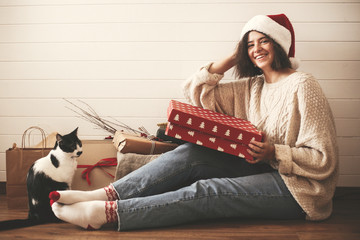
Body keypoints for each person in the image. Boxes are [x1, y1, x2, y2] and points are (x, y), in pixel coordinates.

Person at [49, 14, 339, 231]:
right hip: (262, 167)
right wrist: (234, 57)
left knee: (208, 190)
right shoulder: (254, 86)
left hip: (299, 190)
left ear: (279, 44)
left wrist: (274, 152)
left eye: (264, 40)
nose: (257, 49)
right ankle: (106, 194)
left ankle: (109, 214)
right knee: (190, 153)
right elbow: (196, 91)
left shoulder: (303, 86)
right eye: (250, 44)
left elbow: (324, 159)